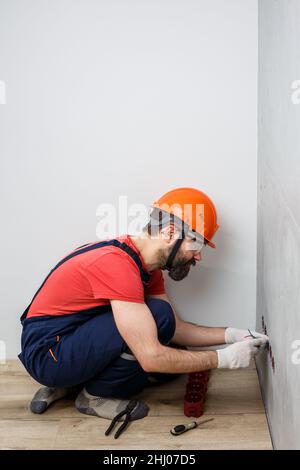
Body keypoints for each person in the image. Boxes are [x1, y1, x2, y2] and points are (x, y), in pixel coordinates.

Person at [18, 187, 268, 422]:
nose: (199, 255)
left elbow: (175, 326)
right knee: (156, 333)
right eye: (197, 243)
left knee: (164, 324)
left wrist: (231, 335)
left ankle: (72, 380)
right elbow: (151, 357)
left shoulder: (144, 265)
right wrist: (223, 359)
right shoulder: (118, 266)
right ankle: (93, 396)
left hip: (67, 340)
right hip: (47, 354)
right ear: (170, 233)